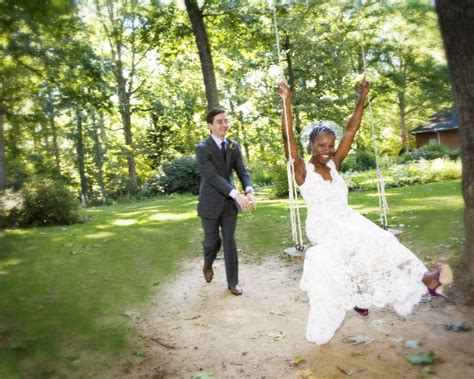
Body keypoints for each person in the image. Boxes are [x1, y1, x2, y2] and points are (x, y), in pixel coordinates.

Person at [278, 77, 453, 344]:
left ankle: (424, 278)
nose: (328, 150)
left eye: (330, 144)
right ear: (311, 146)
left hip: (348, 219)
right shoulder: (302, 170)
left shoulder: (335, 164)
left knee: (383, 239)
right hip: (324, 225)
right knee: (366, 240)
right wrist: (287, 101)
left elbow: (351, 131)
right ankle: (368, 291)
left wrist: (362, 97)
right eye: (321, 145)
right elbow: (287, 136)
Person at [195, 108, 256, 296]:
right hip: (210, 203)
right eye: (219, 121)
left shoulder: (233, 146)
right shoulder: (202, 148)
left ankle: (233, 283)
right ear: (210, 126)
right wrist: (235, 194)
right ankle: (208, 264)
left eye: (226, 121)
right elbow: (212, 177)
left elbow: (242, 171)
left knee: (229, 241)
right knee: (212, 242)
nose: (224, 124)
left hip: (229, 205)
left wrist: (249, 189)